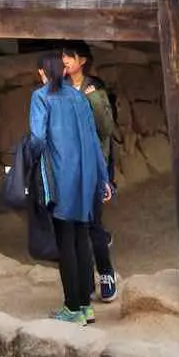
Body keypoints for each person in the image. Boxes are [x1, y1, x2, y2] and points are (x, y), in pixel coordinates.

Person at [29, 45, 111, 324]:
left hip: (61, 178)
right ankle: (86, 306)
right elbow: (94, 141)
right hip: (87, 177)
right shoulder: (78, 98)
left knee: (65, 242)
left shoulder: (40, 97)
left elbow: (38, 138)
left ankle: (72, 308)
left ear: (43, 73)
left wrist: (27, 157)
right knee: (80, 239)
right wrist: (103, 178)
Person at [67, 42, 118, 304]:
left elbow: (106, 129)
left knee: (93, 226)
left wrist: (93, 99)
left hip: (92, 167)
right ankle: (85, 281)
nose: (64, 60)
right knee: (76, 229)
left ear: (83, 61)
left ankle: (107, 274)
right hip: (68, 168)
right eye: (62, 56)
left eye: (70, 56)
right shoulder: (60, 87)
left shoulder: (95, 88)